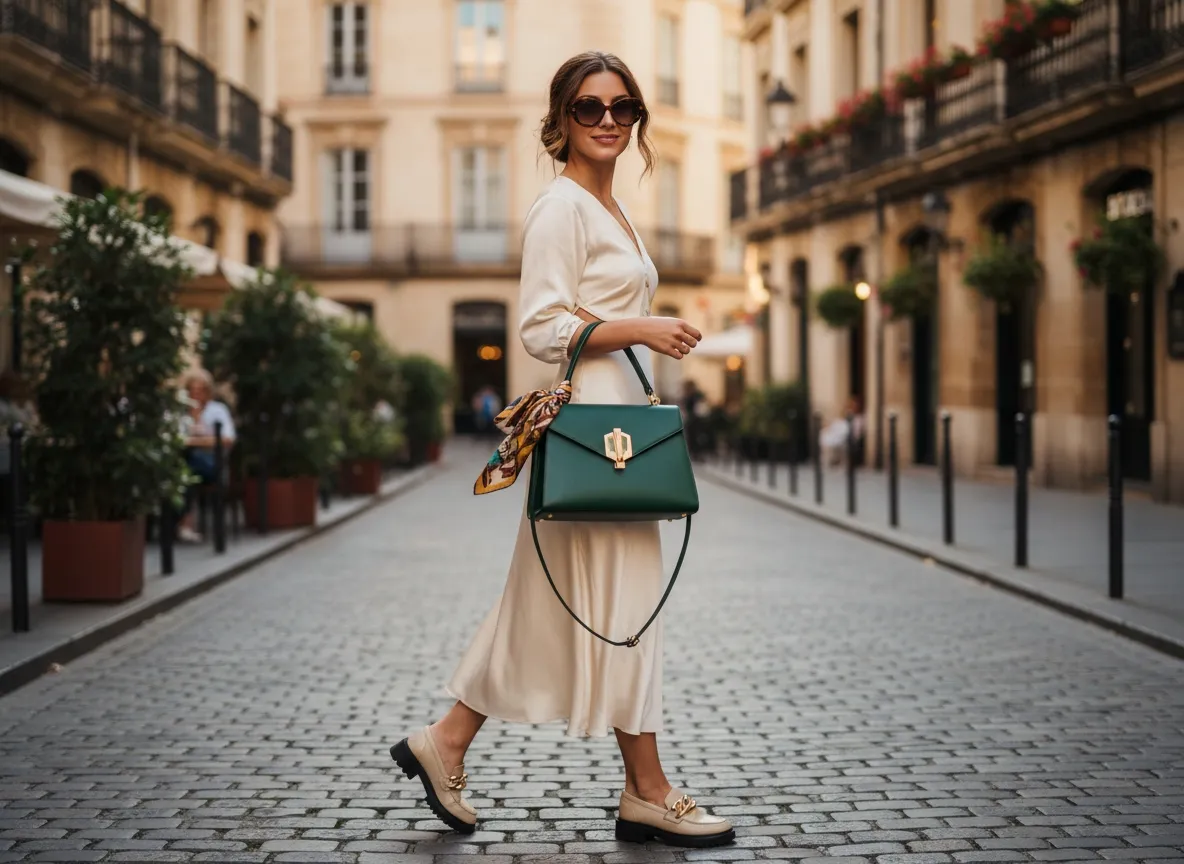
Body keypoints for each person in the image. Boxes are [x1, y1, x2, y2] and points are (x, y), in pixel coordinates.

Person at [389, 51, 734, 849]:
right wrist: (644, 327)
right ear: (561, 120)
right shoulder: (561, 208)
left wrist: (632, 331)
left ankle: (445, 742)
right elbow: (542, 326)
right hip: (598, 437)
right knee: (626, 612)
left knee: (547, 607)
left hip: (611, 431)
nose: (608, 120)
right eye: (589, 108)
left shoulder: (609, 209)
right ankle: (648, 791)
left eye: (623, 107)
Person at [177, 369, 236, 543]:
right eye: (192, 390)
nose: (196, 394)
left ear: (208, 391)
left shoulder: (217, 410)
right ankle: (181, 525)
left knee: (185, 468)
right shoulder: (182, 413)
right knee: (184, 470)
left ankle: (184, 524)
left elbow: (227, 439)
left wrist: (195, 442)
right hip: (189, 463)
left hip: (211, 463)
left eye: (200, 389)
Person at [819, 395, 865, 466]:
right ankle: (829, 459)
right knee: (825, 435)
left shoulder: (859, 418)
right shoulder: (846, 415)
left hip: (849, 435)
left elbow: (855, 430)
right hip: (841, 433)